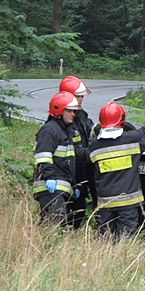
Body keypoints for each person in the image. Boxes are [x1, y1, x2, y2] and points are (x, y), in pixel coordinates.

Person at [89, 102, 145, 240]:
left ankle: (104, 260)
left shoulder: (94, 147)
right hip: (127, 203)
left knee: (106, 239)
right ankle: (122, 259)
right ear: (122, 120)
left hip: (105, 203)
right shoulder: (133, 139)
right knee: (125, 239)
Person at [32, 91, 80, 226]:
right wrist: (49, 177)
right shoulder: (50, 130)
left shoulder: (65, 130)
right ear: (59, 110)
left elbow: (68, 162)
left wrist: (73, 184)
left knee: (52, 223)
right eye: (70, 111)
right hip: (49, 186)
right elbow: (43, 156)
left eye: (74, 111)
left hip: (60, 187)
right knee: (56, 221)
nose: (73, 114)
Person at [58, 76, 95, 229]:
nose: (81, 99)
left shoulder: (82, 116)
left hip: (82, 174)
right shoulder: (63, 120)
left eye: (82, 96)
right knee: (66, 214)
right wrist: (92, 154)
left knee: (78, 213)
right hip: (70, 176)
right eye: (79, 95)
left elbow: (92, 132)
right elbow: (74, 151)